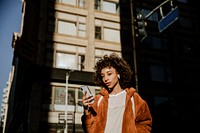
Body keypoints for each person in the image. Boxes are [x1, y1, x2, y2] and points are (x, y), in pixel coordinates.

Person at [81, 53, 152, 133]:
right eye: (103, 76)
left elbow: (145, 124)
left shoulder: (133, 98)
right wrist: (86, 110)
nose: (106, 79)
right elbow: (89, 129)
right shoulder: (99, 99)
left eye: (109, 74)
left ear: (118, 74)